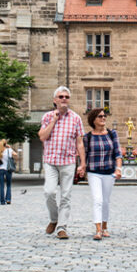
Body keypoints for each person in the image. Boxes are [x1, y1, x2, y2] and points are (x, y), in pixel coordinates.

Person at [38, 85, 86, 239]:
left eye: (66, 97)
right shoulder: (47, 117)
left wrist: (82, 163)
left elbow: (80, 143)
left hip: (68, 161)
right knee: (49, 192)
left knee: (65, 195)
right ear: (55, 100)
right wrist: (53, 121)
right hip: (51, 161)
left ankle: (61, 227)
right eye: (61, 97)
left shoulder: (76, 118)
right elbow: (42, 137)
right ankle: (54, 218)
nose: (64, 99)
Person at [82, 108, 123, 240]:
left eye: (104, 116)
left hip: (109, 172)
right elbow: (84, 154)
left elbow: (118, 153)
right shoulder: (88, 137)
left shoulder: (112, 134)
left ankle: (105, 227)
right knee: (97, 200)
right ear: (93, 119)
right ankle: (98, 229)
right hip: (94, 172)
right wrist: (82, 167)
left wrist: (119, 169)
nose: (103, 118)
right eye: (100, 116)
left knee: (105, 201)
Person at [0, 139, 17, 205]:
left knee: (1, 186)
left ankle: (2, 201)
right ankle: (8, 199)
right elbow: (15, 154)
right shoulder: (9, 150)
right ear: (6, 144)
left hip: (0, 169)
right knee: (8, 185)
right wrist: (10, 147)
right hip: (8, 169)